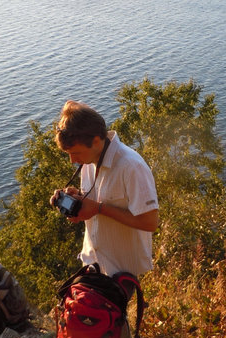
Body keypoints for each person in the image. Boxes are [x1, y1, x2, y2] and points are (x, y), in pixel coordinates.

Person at [50, 100, 159, 277]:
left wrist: (98, 209)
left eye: (75, 153)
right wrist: (78, 199)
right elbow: (98, 200)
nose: (72, 161)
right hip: (92, 264)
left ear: (96, 141)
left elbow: (150, 222)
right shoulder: (89, 160)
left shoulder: (131, 166)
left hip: (122, 271)